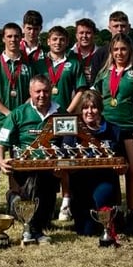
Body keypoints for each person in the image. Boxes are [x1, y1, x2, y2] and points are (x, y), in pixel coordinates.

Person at [93, 33, 133, 234]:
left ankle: (132, 213)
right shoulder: (103, 73)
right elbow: (95, 99)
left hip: (129, 128)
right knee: (110, 171)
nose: (120, 53)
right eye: (116, 49)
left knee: (132, 171)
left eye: (123, 49)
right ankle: (114, 213)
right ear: (111, 51)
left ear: (130, 51)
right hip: (107, 130)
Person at [0, 75, 62, 244]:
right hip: (25, 169)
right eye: (37, 91)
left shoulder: (61, 113)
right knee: (34, 185)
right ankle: (29, 226)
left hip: (51, 168)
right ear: (30, 92)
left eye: (46, 91)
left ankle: (32, 223)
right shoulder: (17, 114)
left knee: (45, 203)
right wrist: (1, 162)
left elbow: (70, 142)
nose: (42, 95)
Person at [32, 25, 88, 221]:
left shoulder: (74, 62)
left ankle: (66, 202)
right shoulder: (39, 63)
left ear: (67, 42)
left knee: (64, 157)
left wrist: (67, 113)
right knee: (43, 154)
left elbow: (81, 90)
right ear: (48, 41)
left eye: (62, 39)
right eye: (54, 39)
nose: (58, 42)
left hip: (65, 117)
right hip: (43, 116)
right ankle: (40, 200)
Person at [0, 22, 32, 217]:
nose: (13, 40)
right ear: (3, 38)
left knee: (16, 165)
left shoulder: (27, 65)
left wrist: (18, 114)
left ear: (21, 39)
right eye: (9, 36)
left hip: (21, 123)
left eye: (16, 36)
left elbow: (32, 93)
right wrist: (7, 113)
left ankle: (16, 205)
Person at [65, 90, 123, 237]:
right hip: (80, 182)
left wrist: (120, 167)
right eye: (85, 108)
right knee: (86, 232)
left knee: (103, 200)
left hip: (104, 179)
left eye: (94, 107)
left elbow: (123, 163)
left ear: (100, 109)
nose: (89, 111)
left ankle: (112, 218)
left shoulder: (114, 130)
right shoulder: (72, 131)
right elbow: (65, 162)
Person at [90, 11, 133, 83]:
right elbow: (94, 82)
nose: (119, 29)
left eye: (123, 26)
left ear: (129, 27)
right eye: (116, 26)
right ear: (109, 28)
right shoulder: (100, 53)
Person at [69, 17, 99, 87]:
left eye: (88, 33)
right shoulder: (68, 54)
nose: (84, 36)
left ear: (94, 34)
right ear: (76, 35)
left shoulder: (102, 54)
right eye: (81, 33)